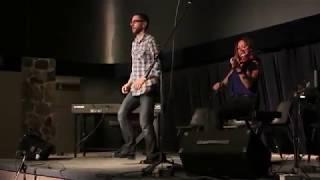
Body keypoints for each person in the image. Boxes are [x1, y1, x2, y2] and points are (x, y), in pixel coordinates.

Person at [114, 13, 160, 164]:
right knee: (121, 113)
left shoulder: (150, 41)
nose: (131, 24)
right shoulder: (134, 43)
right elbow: (135, 69)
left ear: (144, 24)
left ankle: (152, 155)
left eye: (135, 21)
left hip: (147, 88)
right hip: (135, 88)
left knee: (145, 123)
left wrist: (144, 79)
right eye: (131, 21)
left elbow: (157, 66)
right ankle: (129, 146)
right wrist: (129, 83)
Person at [211, 37, 260, 128]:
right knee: (215, 113)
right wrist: (219, 85)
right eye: (238, 48)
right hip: (235, 100)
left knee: (220, 113)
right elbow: (225, 81)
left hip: (248, 100)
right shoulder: (237, 65)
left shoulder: (254, 63)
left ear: (250, 49)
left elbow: (248, 85)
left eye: (244, 46)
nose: (241, 50)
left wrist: (238, 69)